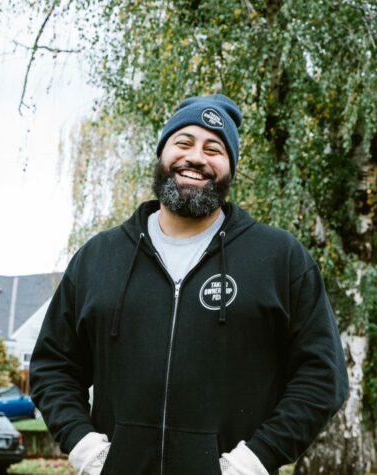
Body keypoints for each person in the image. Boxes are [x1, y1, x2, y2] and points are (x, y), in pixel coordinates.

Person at [31, 94, 348, 475]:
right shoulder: (99, 257)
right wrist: (85, 448)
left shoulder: (279, 258)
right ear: (162, 154)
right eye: (183, 142)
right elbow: (53, 366)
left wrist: (256, 459)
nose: (196, 157)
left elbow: (322, 375)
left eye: (214, 149)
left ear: (230, 168)